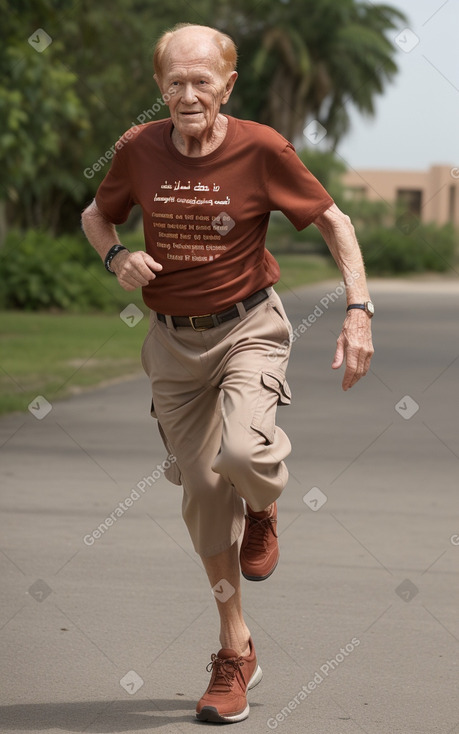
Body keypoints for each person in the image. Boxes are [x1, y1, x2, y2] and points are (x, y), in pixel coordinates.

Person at [81, 23, 374, 724]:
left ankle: (264, 501)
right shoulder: (137, 147)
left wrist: (357, 308)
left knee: (242, 453)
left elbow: (335, 223)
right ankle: (234, 650)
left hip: (249, 326)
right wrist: (116, 256)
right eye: (174, 82)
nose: (187, 94)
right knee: (205, 496)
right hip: (172, 345)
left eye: (201, 81)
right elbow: (97, 216)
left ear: (227, 85)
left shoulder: (261, 148)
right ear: (160, 87)